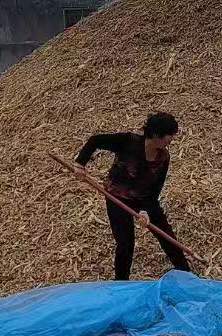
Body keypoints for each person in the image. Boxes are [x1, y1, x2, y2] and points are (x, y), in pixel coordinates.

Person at [74, 112, 190, 278]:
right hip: (117, 197)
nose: (171, 139)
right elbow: (95, 140)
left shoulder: (163, 158)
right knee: (125, 242)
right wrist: (80, 164)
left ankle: (185, 272)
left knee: (165, 233)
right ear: (157, 134)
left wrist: (144, 210)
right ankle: (121, 283)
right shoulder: (127, 142)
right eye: (169, 135)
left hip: (145, 199)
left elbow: (156, 188)